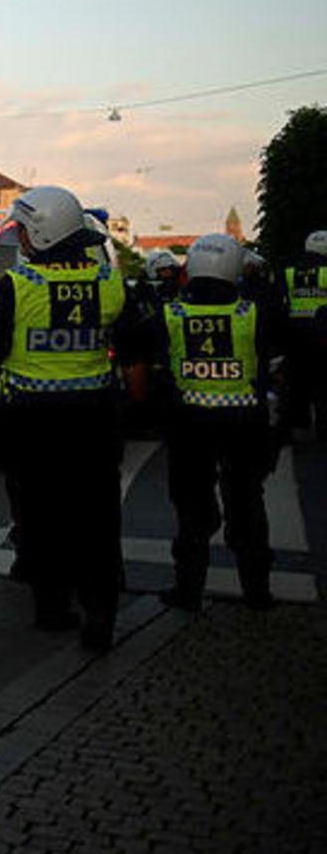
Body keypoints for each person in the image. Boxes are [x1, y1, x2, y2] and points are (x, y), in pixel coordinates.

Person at [0, 185, 148, 651]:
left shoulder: (18, 285)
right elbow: (132, 361)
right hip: (93, 417)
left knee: (41, 516)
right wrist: (134, 407)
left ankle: (52, 608)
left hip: (31, 421)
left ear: (44, 234)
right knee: (97, 516)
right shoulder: (110, 283)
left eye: (25, 231)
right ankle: (101, 613)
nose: (22, 240)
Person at [146, 234, 278, 612]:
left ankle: (188, 590)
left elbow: (149, 362)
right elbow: (279, 359)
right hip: (244, 425)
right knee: (249, 506)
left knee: (191, 512)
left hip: (189, 426)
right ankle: (257, 591)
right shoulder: (255, 313)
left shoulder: (170, 313)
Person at [278, 230, 327, 438]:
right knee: (323, 382)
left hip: (294, 334)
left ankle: (298, 421)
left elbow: (279, 304)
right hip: (323, 334)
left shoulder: (289, 271)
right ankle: (323, 427)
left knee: (296, 381)